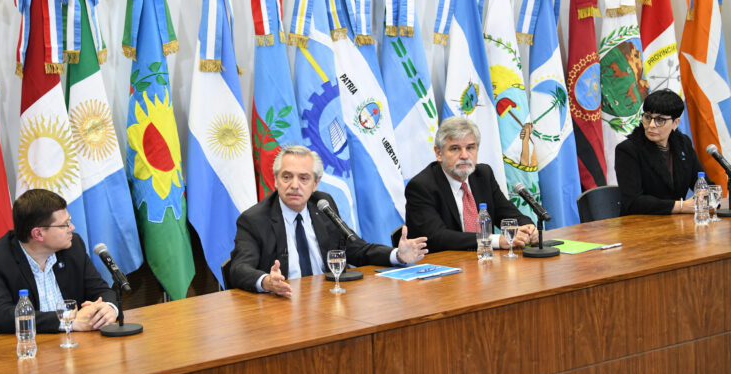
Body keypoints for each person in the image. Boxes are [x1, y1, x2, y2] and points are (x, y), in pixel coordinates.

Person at [229, 145, 428, 297]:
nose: (294, 185)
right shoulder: (254, 220)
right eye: (287, 177)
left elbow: (356, 249)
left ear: (315, 184)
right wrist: (266, 281)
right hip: (282, 304)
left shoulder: (322, 205)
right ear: (275, 180)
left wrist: (397, 255)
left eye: (304, 178)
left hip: (328, 299)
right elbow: (238, 269)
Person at [0, 189, 117, 336]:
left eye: (69, 220)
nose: (72, 228)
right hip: (20, 346)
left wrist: (109, 308)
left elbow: (101, 291)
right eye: (65, 224)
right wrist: (68, 320)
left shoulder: (73, 246)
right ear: (38, 234)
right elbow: (2, 317)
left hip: (73, 343)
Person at [405, 116, 538, 253]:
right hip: (442, 263)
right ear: (439, 153)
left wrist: (528, 229)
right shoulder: (421, 186)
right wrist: (494, 240)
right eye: (455, 149)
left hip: (485, 261)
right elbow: (436, 237)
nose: (464, 155)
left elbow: (509, 215)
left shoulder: (483, 175)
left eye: (470, 148)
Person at [615, 89, 708, 215]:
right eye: (648, 117)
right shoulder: (628, 150)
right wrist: (680, 206)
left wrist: (707, 197)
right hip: (639, 223)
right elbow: (633, 202)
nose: (651, 125)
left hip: (676, 222)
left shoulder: (683, 144)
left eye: (660, 120)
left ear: (675, 123)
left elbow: (702, 182)